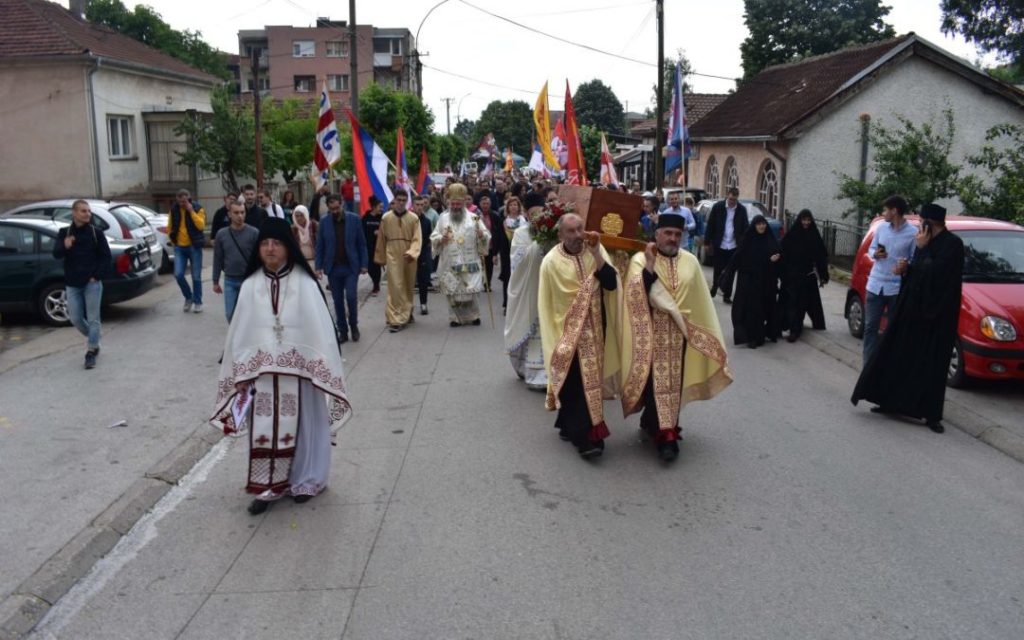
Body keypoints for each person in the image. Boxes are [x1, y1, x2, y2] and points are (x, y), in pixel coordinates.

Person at [211, 218, 351, 515]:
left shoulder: (305, 283)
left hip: (302, 375)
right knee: (265, 428)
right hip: (263, 376)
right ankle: (268, 486)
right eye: (265, 244)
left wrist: (316, 367)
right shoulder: (249, 286)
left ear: (288, 247)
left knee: (305, 427)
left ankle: (306, 480)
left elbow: (321, 334)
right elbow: (240, 333)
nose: (270, 249)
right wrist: (239, 372)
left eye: (276, 243)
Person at [620, 212, 733, 460]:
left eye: (677, 235)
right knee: (652, 384)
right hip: (648, 334)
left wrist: (697, 330)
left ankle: (667, 436)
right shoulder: (640, 259)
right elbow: (635, 294)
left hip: (679, 335)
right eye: (668, 233)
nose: (672, 239)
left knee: (671, 385)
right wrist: (650, 264)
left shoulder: (691, 261)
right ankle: (654, 424)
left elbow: (700, 301)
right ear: (657, 234)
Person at [852, 203, 963, 433]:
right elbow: (919, 274)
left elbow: (937, 276)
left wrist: (921, 251)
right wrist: (906, 269)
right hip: (913, 310)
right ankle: (889, 401)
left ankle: (931, 415)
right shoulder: (926, 241)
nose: (920, 226)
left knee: (931, 364)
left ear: (930, 223)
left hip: (936, 315)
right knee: (898, 354)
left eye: (922, 221)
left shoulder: (952, 245)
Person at [538, 213, 620, 459]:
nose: (577, 236)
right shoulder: (551, 262)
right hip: (566, 333)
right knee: (573, 384)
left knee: (588, 383)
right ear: (560, 235)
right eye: (570, 232)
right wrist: (554, 338)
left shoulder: (595, 250)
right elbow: (546, 303)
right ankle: (585, 438)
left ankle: (568, 424)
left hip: (595, 330)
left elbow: (611, 284)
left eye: (579, 230)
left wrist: (596, 255)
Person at [53, 199, 111, 369]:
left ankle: (91, 350)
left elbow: (105, 257)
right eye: (83, 211)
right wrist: (65, 245)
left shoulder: (96, 233)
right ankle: (95, 337)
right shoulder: (64, 233)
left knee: (93, 319)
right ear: (74, 212)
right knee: (76, 319)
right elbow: (56, 254)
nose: (87, 214)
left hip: (92, 283)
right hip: (72, 283)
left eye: (89, 211)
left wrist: (96, 275)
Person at [861, 195, 918, 363]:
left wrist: (906, 266)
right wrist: (876, 254)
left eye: (886, 209)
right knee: (870, 328)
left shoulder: (913, 233)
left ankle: (888, 366)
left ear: (894, 211)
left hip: (896, 288)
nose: (883, 212)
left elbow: (915, 259)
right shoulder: (881, 228)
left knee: (893, 330)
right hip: (875, 284)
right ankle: (868, 368)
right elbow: (871, 249)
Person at [431, 183, 490, 326]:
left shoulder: (474, 217)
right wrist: (441, 239)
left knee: (471, 289)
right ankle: (455, 318)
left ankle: (474, 316)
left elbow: (486, 235)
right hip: (450, 261)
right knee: (452, 290)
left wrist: (482, 235)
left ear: (464, 203)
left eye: (458, 204)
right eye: (453, 204)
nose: (456, 207)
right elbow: (434, 236)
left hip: (470, 260)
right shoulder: (443, 218)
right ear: (449, 203)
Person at [316, 194, 368, 343]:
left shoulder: (354, 220)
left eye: (337, 208)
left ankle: (354, 326)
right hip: (333, 268)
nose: (334, 211)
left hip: (351, 266)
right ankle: (342, 331)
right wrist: (318, 266)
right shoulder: (324, 223)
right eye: (331, 209)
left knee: (351, 297)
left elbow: (361, 244)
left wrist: (364, 264)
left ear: (342, 204)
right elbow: (320, 246)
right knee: (337, 300)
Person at [725, 214, 781, 348]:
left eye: (763, 224)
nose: (761, 226)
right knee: (750, 311)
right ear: (754, 226)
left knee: (763, 309)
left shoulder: (770, 239)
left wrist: (776, 259)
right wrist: (725, 277)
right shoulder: (747, 241)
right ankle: (751, 337)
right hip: (749, 283)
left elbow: (778, 255)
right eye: (758, 224)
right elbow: (738, 259)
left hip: (765, 283)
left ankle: (761, 334)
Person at [504, 216, 547, 391]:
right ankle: (535, 373)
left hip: (551, 285)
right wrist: (541, 244)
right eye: (534, 213)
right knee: (533, 327)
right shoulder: (521, 233)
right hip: (530, 288)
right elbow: (518, 262)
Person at [374, 191, 421, 332]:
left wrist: (412, 252)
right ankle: (397, 318)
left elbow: (417, 239)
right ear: (394, 200)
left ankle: (408, 311)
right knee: (395, 285)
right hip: (393, 254)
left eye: (404, 200)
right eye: (399, 200)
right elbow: (381, 239)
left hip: (408, 256)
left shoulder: (413, 218)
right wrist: (381, 257)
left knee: (407, 285)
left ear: (407, 201)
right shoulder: (386, 218)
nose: (401, 202)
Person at [779, 209, 829, 342]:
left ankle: (797, 329)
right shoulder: (792, 235)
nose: (806, 223)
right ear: (800, 220)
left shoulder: (814, 235)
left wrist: (823, 274)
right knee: (792, 303)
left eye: (808, 220)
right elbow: (782, 252)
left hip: (807, 275)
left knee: (805, 303)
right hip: (792, 275)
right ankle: (792, 329)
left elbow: (821, 256)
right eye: (804, 220)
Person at [212, 200, 259, 322]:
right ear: (229, 214)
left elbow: (259, 257)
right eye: (236, 213)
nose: (240, 216)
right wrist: (215, 281)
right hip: (230, 280)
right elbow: (217, 258)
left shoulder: (254, 233)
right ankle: (235, 339)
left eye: (242, 212)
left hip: (248, 280)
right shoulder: (221, 234)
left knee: (250, 316)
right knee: (230, 314)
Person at [704, 187, 749, 303]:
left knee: (731, 271)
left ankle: (727, 295)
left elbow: (745, 228)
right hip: (720, 243)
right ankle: (715, 286)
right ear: (727, 196)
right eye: (730, 199)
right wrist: (707, 242)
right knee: (718, 268)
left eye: (734, 200)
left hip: (734, 246)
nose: (732, 202)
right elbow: (710, 225)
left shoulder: (741, 210)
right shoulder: (718, 207)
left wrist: (744, 245)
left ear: (737, 199)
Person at [168, 188, 206, 313]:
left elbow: (201, 225)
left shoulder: (197, 208)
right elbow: (170, 227)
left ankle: (198, 302)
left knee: (196, 276)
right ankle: (188, 297)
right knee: (178, 275)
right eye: (180, 202)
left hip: (194, 247)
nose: (182, 204)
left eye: (184, 201)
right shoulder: (174, 210)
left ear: (189, 199)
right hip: (180, 247)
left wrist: (191, 211)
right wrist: (174, 242)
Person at [413, 195, 434, 315]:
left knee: (423, 280)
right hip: (409, 254)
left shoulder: (427, 221)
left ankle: (423, 303)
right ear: (413, 205)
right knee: (408, 281)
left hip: (423, 253)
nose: (420, 207)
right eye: (417, 205)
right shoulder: (408, 219)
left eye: (422, 205)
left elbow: (428, 238)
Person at [362, 197, 384, 296]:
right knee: (369, 268)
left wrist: (381, 233)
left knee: (377, 267)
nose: (381, 209)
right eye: (380, 207)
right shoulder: (365, 218)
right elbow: (361, 231)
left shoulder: (383, 218)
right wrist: (372, 233)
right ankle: (375, 281)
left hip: (378, 247)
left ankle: (376, 286)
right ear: (374, 207)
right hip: (367, 247)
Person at [290, 205, 318, 272]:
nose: (299, 218)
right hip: (300, 263)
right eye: (297, 216)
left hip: (315, 261)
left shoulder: (314, 225)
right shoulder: (293, 229)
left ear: (306, 214)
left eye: (301, 215)